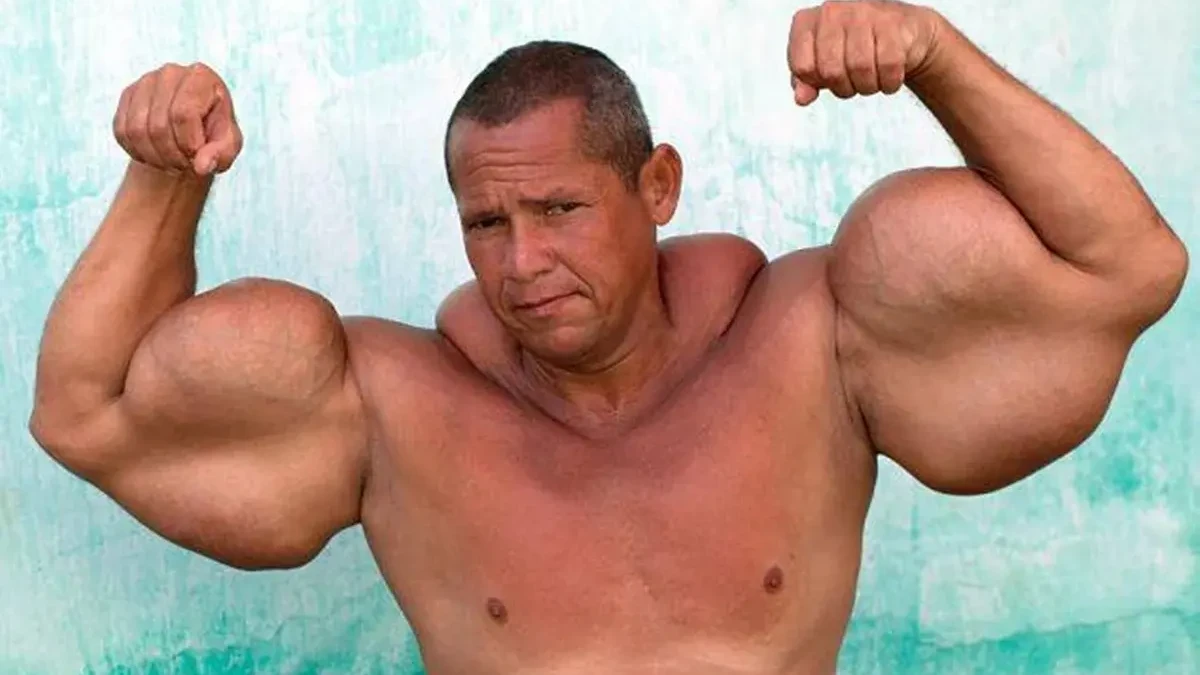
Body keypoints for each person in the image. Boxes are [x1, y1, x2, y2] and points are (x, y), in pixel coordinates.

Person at [28, 2, 1187, 674]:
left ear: (658, 186)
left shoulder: (817, 345)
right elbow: (82, 414)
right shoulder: (392, 408)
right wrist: (164, 177)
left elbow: (1127, 267)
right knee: (266, 339)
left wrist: (934, 53)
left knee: (912, 235)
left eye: (561, 210)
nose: (522, 263)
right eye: (488, 223)